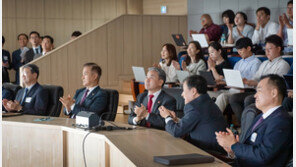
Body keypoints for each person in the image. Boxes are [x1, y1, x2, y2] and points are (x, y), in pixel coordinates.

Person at [216, 74, 292, 166]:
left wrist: (234, 145)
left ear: (273, 93)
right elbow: (249, 150)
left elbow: (262, 156)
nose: (255, 95)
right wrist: (232, 150)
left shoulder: (281, 121)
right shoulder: (260, 117)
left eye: (259, 91)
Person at [229, 35, 290, 124]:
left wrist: (255, 83)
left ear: (278, 49)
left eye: (270, 49)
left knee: (249, 99)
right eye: (266, 49)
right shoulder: (264, 63)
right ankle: (244, 124)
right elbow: (256, 78)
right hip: (258, 91)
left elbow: (275, 85)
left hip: (270, 94)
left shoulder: (283, 65)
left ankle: (250, 125)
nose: (267, 52)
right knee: (234, 98)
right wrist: (247, 81)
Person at [159, 75, 227, 153]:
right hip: (214, 149)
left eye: (184, 90)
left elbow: (176, 131)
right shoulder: (205, 102)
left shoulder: (195, 107)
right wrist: (175, 119)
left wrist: (167, 117)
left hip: (210, 153)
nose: (182, 94)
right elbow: (195, 122)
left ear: (193, 91)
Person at [215, 38, 261, 112]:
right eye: (238, 50)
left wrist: (243, 82)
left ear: (249, 48)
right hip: (232, 89)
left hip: (244, 91)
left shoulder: (256, 63)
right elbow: (232, 79)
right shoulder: (238, 63)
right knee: (209, 95)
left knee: (222, 97)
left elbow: (253, 82)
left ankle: (213, 121)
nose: (239, 52)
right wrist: (222, 81)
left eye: (241, 50)